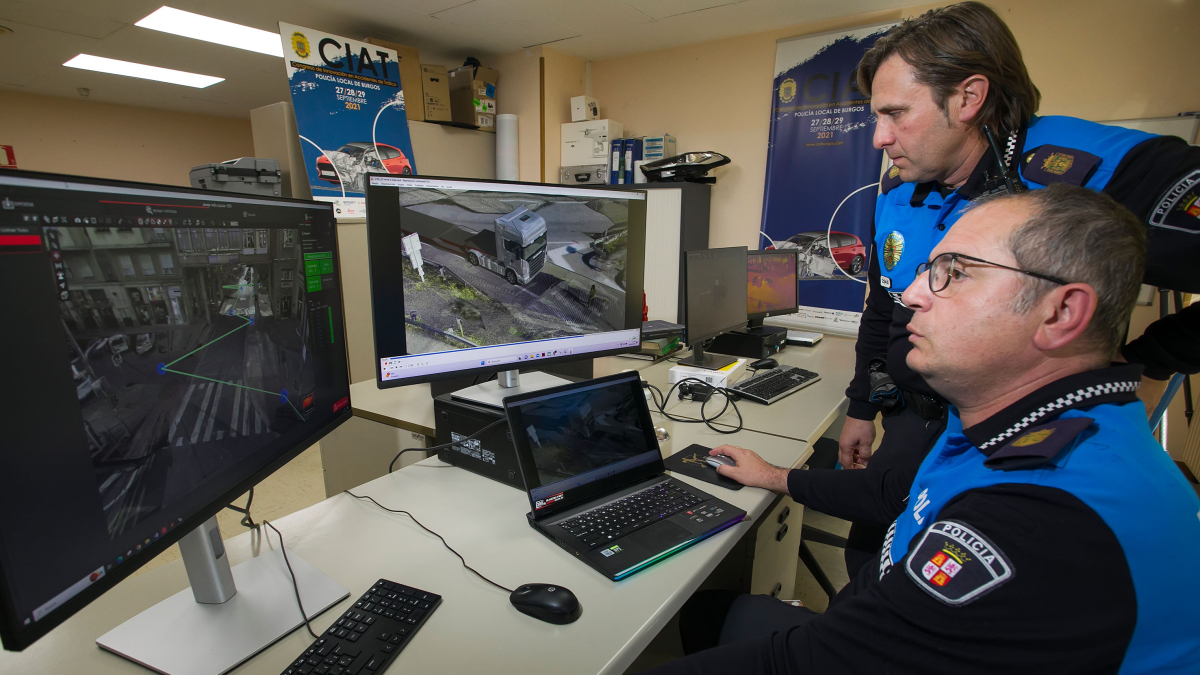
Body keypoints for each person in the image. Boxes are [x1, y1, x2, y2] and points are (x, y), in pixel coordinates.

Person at [648, 185, 1200, 674]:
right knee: (711, 610)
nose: (911, 295)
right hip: (875, 620)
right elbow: (899, 493)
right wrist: (776, 476)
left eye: (955, 273)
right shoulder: (1036, 422)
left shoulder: (1039, 518)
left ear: (1060, 314)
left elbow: (807, 661)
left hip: (863, 639)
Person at [837, 1, 1200, 576]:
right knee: (873, 559)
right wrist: (862, 408)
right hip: (918, 420)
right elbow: (885, 305)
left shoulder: (1090, 170)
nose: (879, 137)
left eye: (896, 113)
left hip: (1025, 442)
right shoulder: (898, 189)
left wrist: (1147, 358)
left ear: (968, 97)